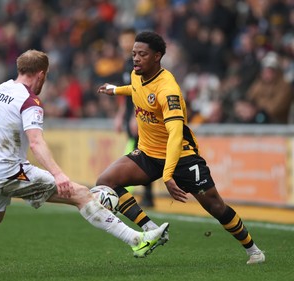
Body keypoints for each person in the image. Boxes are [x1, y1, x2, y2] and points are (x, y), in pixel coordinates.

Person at [0, 50, 170, 276]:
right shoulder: (29, 101)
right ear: (41, 74)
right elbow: (37, 143)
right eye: (46, 77)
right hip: (10, 173)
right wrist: (59, 175)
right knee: (81, 193)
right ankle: (137, 240)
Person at [97, 31, 265, 265]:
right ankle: (151, 228)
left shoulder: (169, 90)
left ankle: (253, 250)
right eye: (134, 53)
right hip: (148, 152)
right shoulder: (137, 75)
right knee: (106, 181)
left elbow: (175, 135)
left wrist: (168, 175)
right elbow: (136, 89)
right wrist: (115, 89)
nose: (135, 58)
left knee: (215, 205)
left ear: (157, 57)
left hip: (181, 156)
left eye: (142, 54)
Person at [113, 27, 154, 207]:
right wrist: (121, 114)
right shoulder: (126, 64)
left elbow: (143, 92)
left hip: (140, 116)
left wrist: (136, 117)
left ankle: (123, 192)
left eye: (129, 39)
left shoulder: (139, 64)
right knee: (141, 155)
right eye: (123, 40)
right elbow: (126, 93)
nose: (125, 43)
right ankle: (146, 196)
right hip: (131, 114)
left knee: (137, 155)